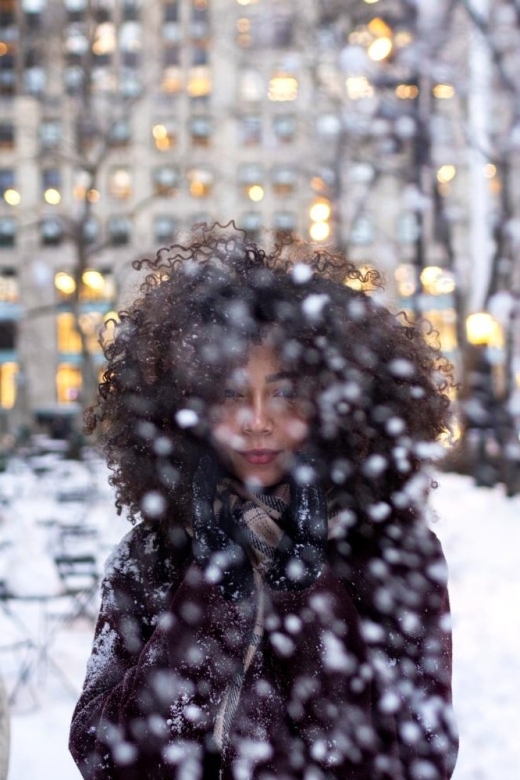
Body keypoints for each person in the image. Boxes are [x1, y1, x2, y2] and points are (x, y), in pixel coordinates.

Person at [70, 223, 458, 780]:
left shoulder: (396, 556)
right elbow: (105, 758)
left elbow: (415, 762)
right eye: (230, 393)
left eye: (284, 392)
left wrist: (304, 596)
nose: (256, 420)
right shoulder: (150, 554)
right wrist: (210, 596)